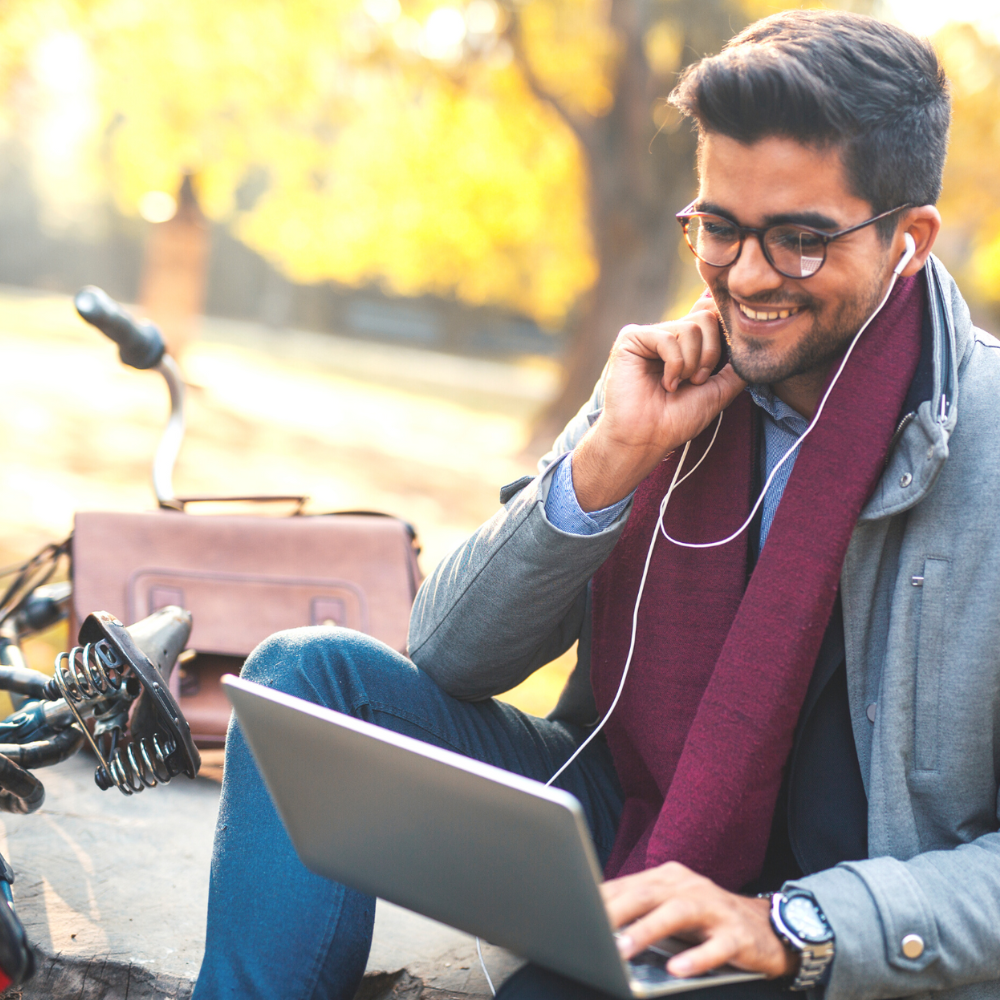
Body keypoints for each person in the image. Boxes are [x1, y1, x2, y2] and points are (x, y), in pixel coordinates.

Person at [193, 9, 1000, 1000]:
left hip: (832, 912)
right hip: (630, 816)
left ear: (908, 239)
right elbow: (450, 652)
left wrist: (790, 923)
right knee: (303, 682)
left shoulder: (986, 445)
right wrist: (607, 459)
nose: (744, 277)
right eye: (718, 227)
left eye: (797, 239)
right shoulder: (668, 377)